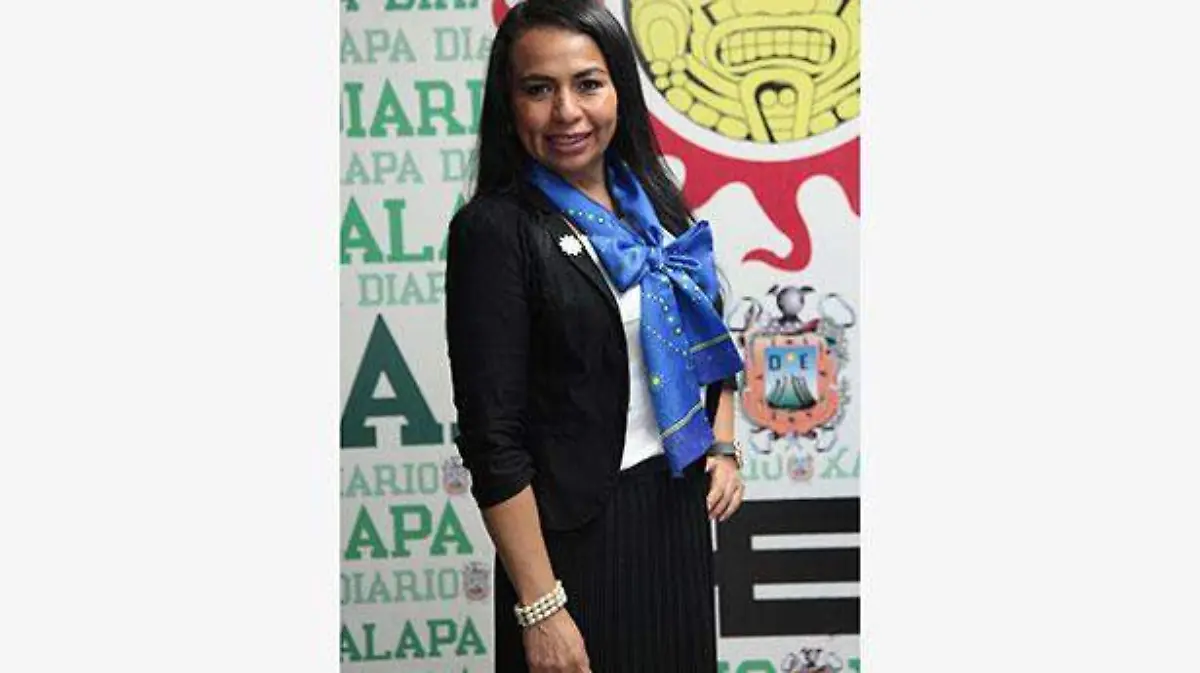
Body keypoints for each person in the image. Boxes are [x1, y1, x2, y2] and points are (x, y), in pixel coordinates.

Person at [444, 1, 745, 670]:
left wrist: (723, 444)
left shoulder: (653, 204)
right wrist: (541, 607)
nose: (567, 112)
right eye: (538, 89)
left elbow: (708, 335)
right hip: (571, 547)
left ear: (619, 90)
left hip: (674, 516)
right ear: (509, 105)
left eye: (587, 84)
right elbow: (493, 440)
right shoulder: (494, 231)